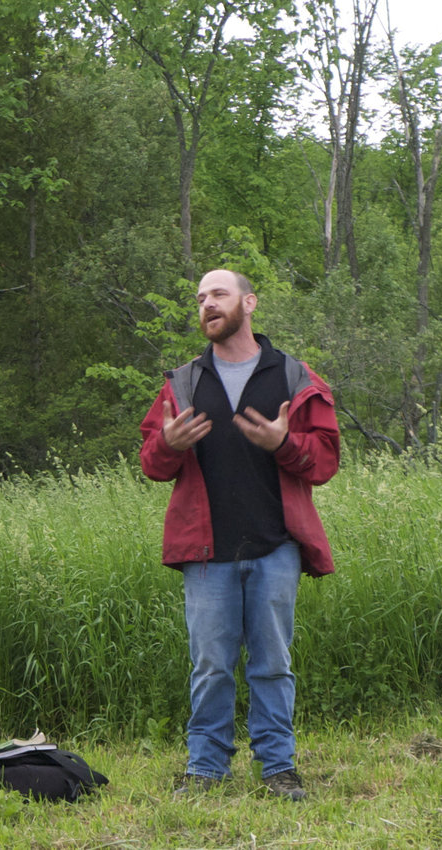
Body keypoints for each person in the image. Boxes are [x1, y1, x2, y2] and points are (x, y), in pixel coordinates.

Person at [139, 269, 340, 801]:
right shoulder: (182, 383)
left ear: (249, 303)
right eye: (200, 298)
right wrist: (170, 444)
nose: (206, 304)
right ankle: (205, 769)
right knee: (210, 666)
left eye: (218, 294)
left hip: (276, 546)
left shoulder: (294, 376)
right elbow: (152, 465)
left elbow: (324, 462)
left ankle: (279, 769)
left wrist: (283, 444)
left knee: (273, 665)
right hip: (206, 553)